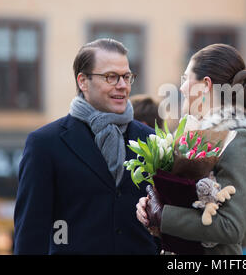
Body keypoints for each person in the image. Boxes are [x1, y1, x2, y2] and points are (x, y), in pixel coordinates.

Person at [14, 38, 159, 254]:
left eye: (127, 76)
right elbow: (31, 233)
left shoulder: (151, 139)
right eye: (111, 77)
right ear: (83, 81)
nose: (122, 85)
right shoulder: (45, 143)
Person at [136, 43, 246, 254]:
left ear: (205, 85)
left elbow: (231, 227)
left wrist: (164, 215)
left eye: (185, 79)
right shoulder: (188, 133)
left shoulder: (238, 139)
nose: (182, 87)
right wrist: (150, 209)